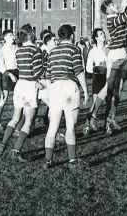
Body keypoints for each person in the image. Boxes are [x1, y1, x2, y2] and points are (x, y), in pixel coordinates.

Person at [91, 0, 127, 135]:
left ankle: (111, 117)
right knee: (109, 88)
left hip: (123, 55)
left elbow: (126, 15)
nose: (116, 5)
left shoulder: (117, 17)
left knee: (118, 90)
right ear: (108, 9)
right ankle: (93, 114)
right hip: (115, 56)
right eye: (112, 4)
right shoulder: (112, 18)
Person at [0, 24, 44, 162]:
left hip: (19, 85)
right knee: (28, 122)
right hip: (29, 86)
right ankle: (16, 150)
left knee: (15, 118)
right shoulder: (36, 50)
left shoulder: (19, 51)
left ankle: (2, 144)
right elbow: (37, 71)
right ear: (30, 34)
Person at [43, 25, 89, 170]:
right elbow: (79, 72)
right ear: (72, 35)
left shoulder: (52, 52)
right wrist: (86, 92)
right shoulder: (75, 49)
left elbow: (48, 76)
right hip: (69, 87)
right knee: (70, 127)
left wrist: (50, 94)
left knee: (53, 127)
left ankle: (48, 160)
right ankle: (72, 160)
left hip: (55, 87)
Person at [84, 28, 108, 135]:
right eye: (101, 34)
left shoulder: (109, 49)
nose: (103, 35)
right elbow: (88, 68)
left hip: (108, 77)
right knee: (95, 103)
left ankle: (107, 126)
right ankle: (87, 124)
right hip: (98, 78)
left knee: (109, 103)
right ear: (96, 38)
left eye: (103, 33)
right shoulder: (93, 51)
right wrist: (97, 68)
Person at [0, 30, 19, 131]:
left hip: (16, 73)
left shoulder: (17, 48)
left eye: (13, 35)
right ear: (5, 38)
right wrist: (10, 75)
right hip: (6, 74)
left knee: (17, 99)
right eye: (10, 35)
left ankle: (16, 123)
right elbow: (1, 66)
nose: (13, 37)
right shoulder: (2, 50)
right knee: (4, 99)